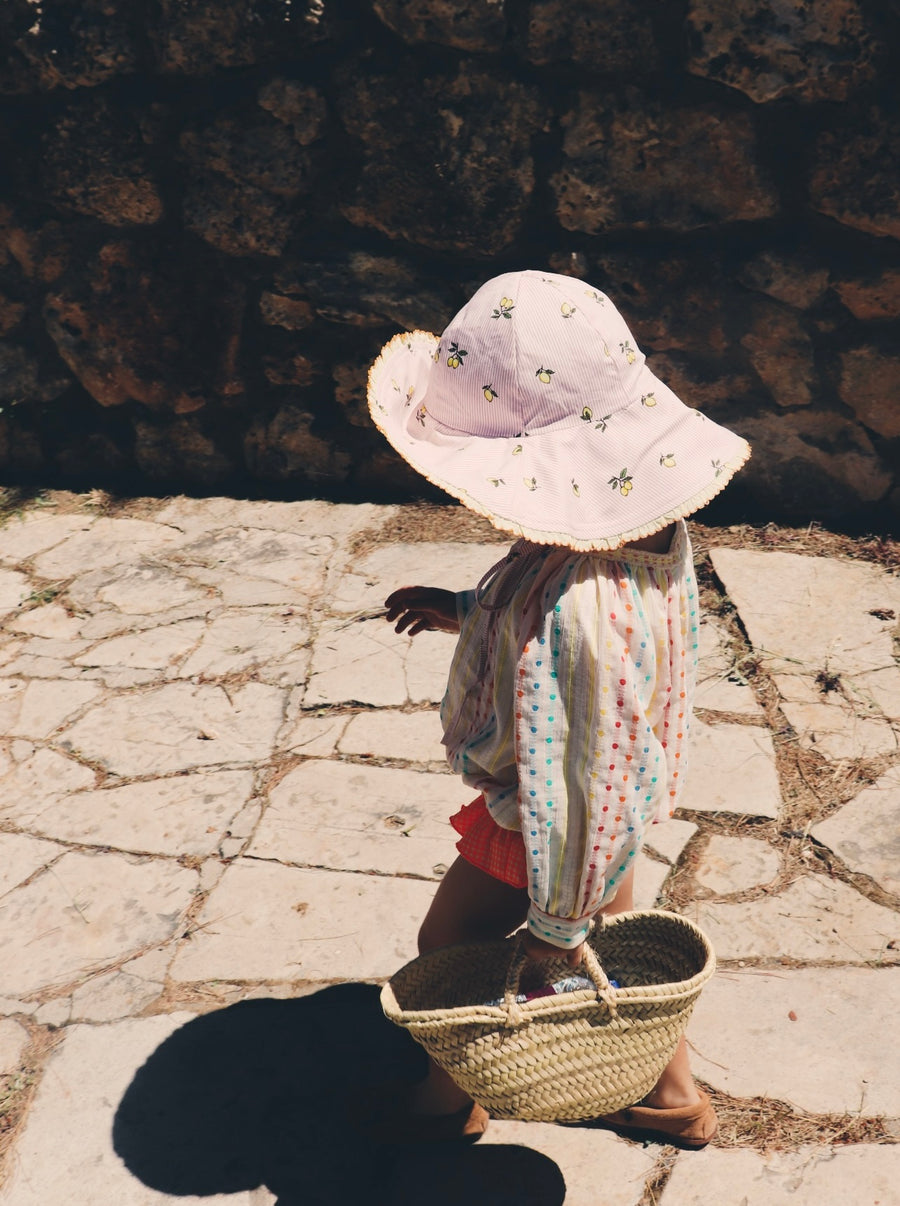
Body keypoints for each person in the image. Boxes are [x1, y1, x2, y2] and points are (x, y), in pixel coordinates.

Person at [365, 269, 750, 1147]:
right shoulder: (634, 537)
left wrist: (552, 927)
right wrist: (469, 608)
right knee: (614, 944)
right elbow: (556, 627)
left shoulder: (580, 615)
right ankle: (670, 1096)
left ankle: (442, 1102)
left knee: (448, 939)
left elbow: (578, 764)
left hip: (551, 819)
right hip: (609, 812)